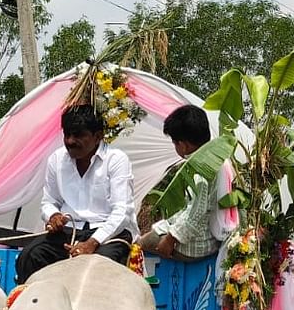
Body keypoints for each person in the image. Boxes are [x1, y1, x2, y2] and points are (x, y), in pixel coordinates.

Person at [16, 104, 138, 283]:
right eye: (67, 135)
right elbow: (49, 202)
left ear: (98, 137)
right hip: (69, 232)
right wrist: (53, 215)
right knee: (30, 256)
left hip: (107, 235)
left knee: (99, 267)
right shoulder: (56, 160)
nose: (70, 141)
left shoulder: (116, 160)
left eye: (78, 135)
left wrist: (92, 243)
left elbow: (122, 213)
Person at [138, 105, 219, 261]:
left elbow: (195, 215)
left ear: (183, 145)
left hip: (194, 246)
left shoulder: (199, 170)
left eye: (175, 143)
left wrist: (170, 239)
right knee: (151, 233)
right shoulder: (212, 158)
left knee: (139, 244)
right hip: (199, 237)